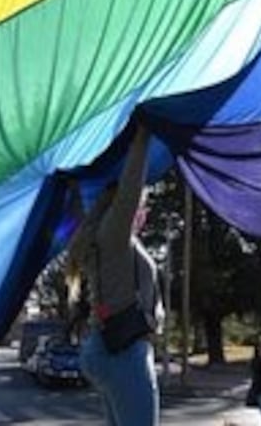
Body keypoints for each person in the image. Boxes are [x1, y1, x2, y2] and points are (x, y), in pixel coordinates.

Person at [64, 121, 158, 426]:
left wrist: (74, 186)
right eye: (141, 207)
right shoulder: (114, 234)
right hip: (124, 351)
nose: (142, 212)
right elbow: (130, 186)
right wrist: (143, 136)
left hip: (104, 346)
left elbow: (81, 213)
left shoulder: (96, 235)